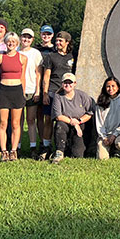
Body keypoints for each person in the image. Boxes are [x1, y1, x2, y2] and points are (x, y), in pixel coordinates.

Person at [41, 31, 75, 159]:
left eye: (61, 41)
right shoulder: (50, 56)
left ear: (67, 42)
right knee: (48, 120)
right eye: (57, 40)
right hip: (52, 91)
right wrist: (45, 93)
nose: (58, 43)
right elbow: (46, 75)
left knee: (64, 121)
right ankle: (46, 146)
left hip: (66, 93)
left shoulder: (72, 57)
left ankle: (63, 147)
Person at [0, 32, 27, 161]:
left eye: (13, 41)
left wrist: (22, 94)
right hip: (3, 91)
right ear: (5, 43)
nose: (11, 43)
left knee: (16, 123)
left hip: (17, 91)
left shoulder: (23, 58)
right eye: (9, 41)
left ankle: (13, 150)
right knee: (2, 123)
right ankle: (4, 151)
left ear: (17, 43)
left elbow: (23, 77)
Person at [50, 73, 94, 164]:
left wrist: (79, 121)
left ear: (75, 83)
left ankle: (73, 146)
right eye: (65, 83)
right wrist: (72, 122)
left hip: (81, 124)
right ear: (62, 84)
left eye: (70, 83)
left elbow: (89, 113)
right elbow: (58, 116)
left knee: (77, 155)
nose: (67, 85)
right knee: (59, 126)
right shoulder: (58, 96)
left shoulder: (83, 96)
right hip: (65, 123)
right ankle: (59, 151)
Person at [18, 28, 44, 159]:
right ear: (20, 37)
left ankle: (33, 147)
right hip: (17, 90)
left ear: (32, 40)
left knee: (31, 120)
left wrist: (37, 90)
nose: (26, 40)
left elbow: (39, 73)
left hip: (31, 89)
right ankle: (17, 147)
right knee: (18, 121)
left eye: (29, 38)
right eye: (24, 37)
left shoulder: (36, 53)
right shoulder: (15, 51)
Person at [95, 76, 120, 160]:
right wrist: (104, 137)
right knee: (101, 158)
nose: (110, 89)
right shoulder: (101, 102)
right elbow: (99, 122)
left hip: (118, 135)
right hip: (105, 135)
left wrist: (114, 135)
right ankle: (108, 149)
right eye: (108, 86)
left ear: (118, 87)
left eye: (113, 86)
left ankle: (116, 150)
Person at [36, 24, 56, 157]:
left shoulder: (56, 50)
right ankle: (42, 142)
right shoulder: (36, 49)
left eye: (48, 34)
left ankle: (49, 143)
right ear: (40, 35)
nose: (46, 36)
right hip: (37, 85)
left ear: (52, 36)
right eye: (44, 34)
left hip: (51, 86)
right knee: (39, 117)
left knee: (50, 118)